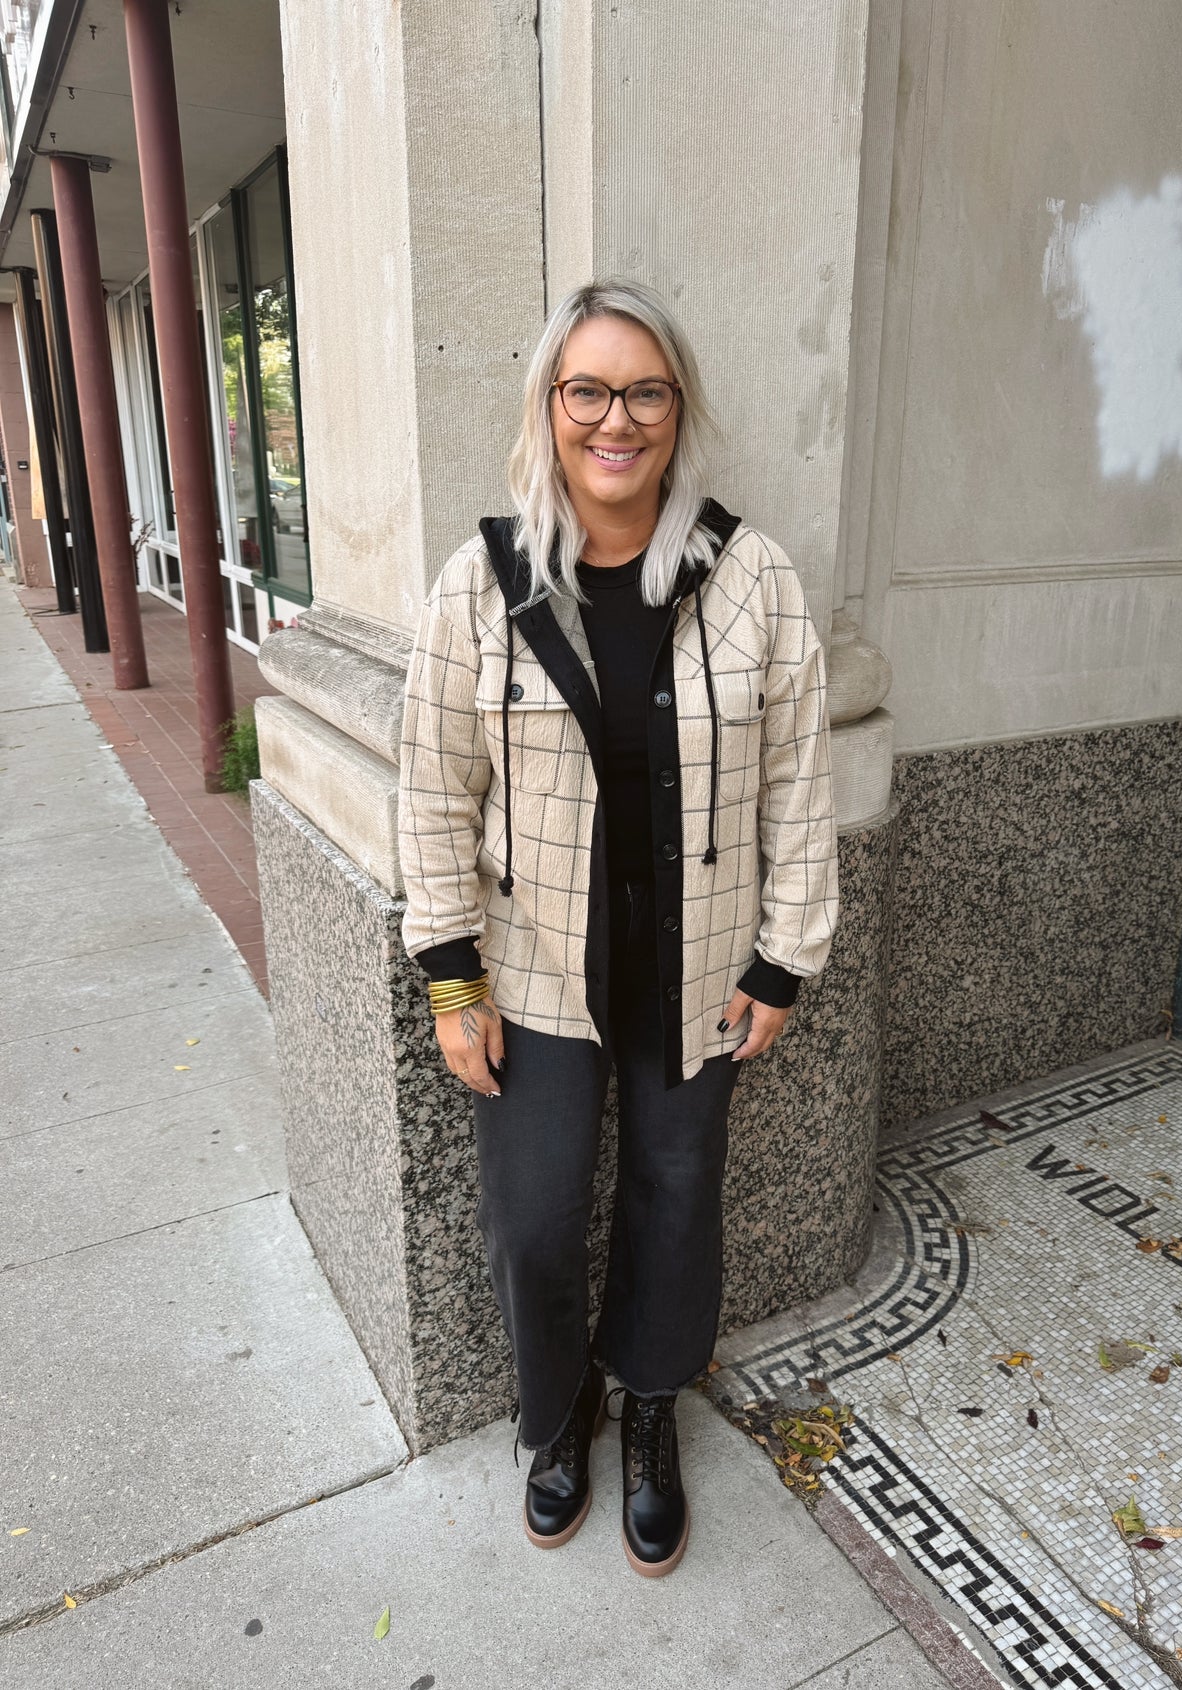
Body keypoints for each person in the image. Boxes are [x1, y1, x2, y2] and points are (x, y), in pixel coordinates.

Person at [397, 278, 838, 1577]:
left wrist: (784, 954)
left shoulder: (748, 578)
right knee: (532, 1216)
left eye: (643, 390)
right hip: (531, 972)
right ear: (548, 409)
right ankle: (556, 1413)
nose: (616, 418)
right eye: (586, 389)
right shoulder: (482, 584)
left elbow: (799, 781)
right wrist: (448, 980)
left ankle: (648, 1399)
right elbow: (430, 784)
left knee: (673, 1189)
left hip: (696, 967)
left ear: (676, 408)